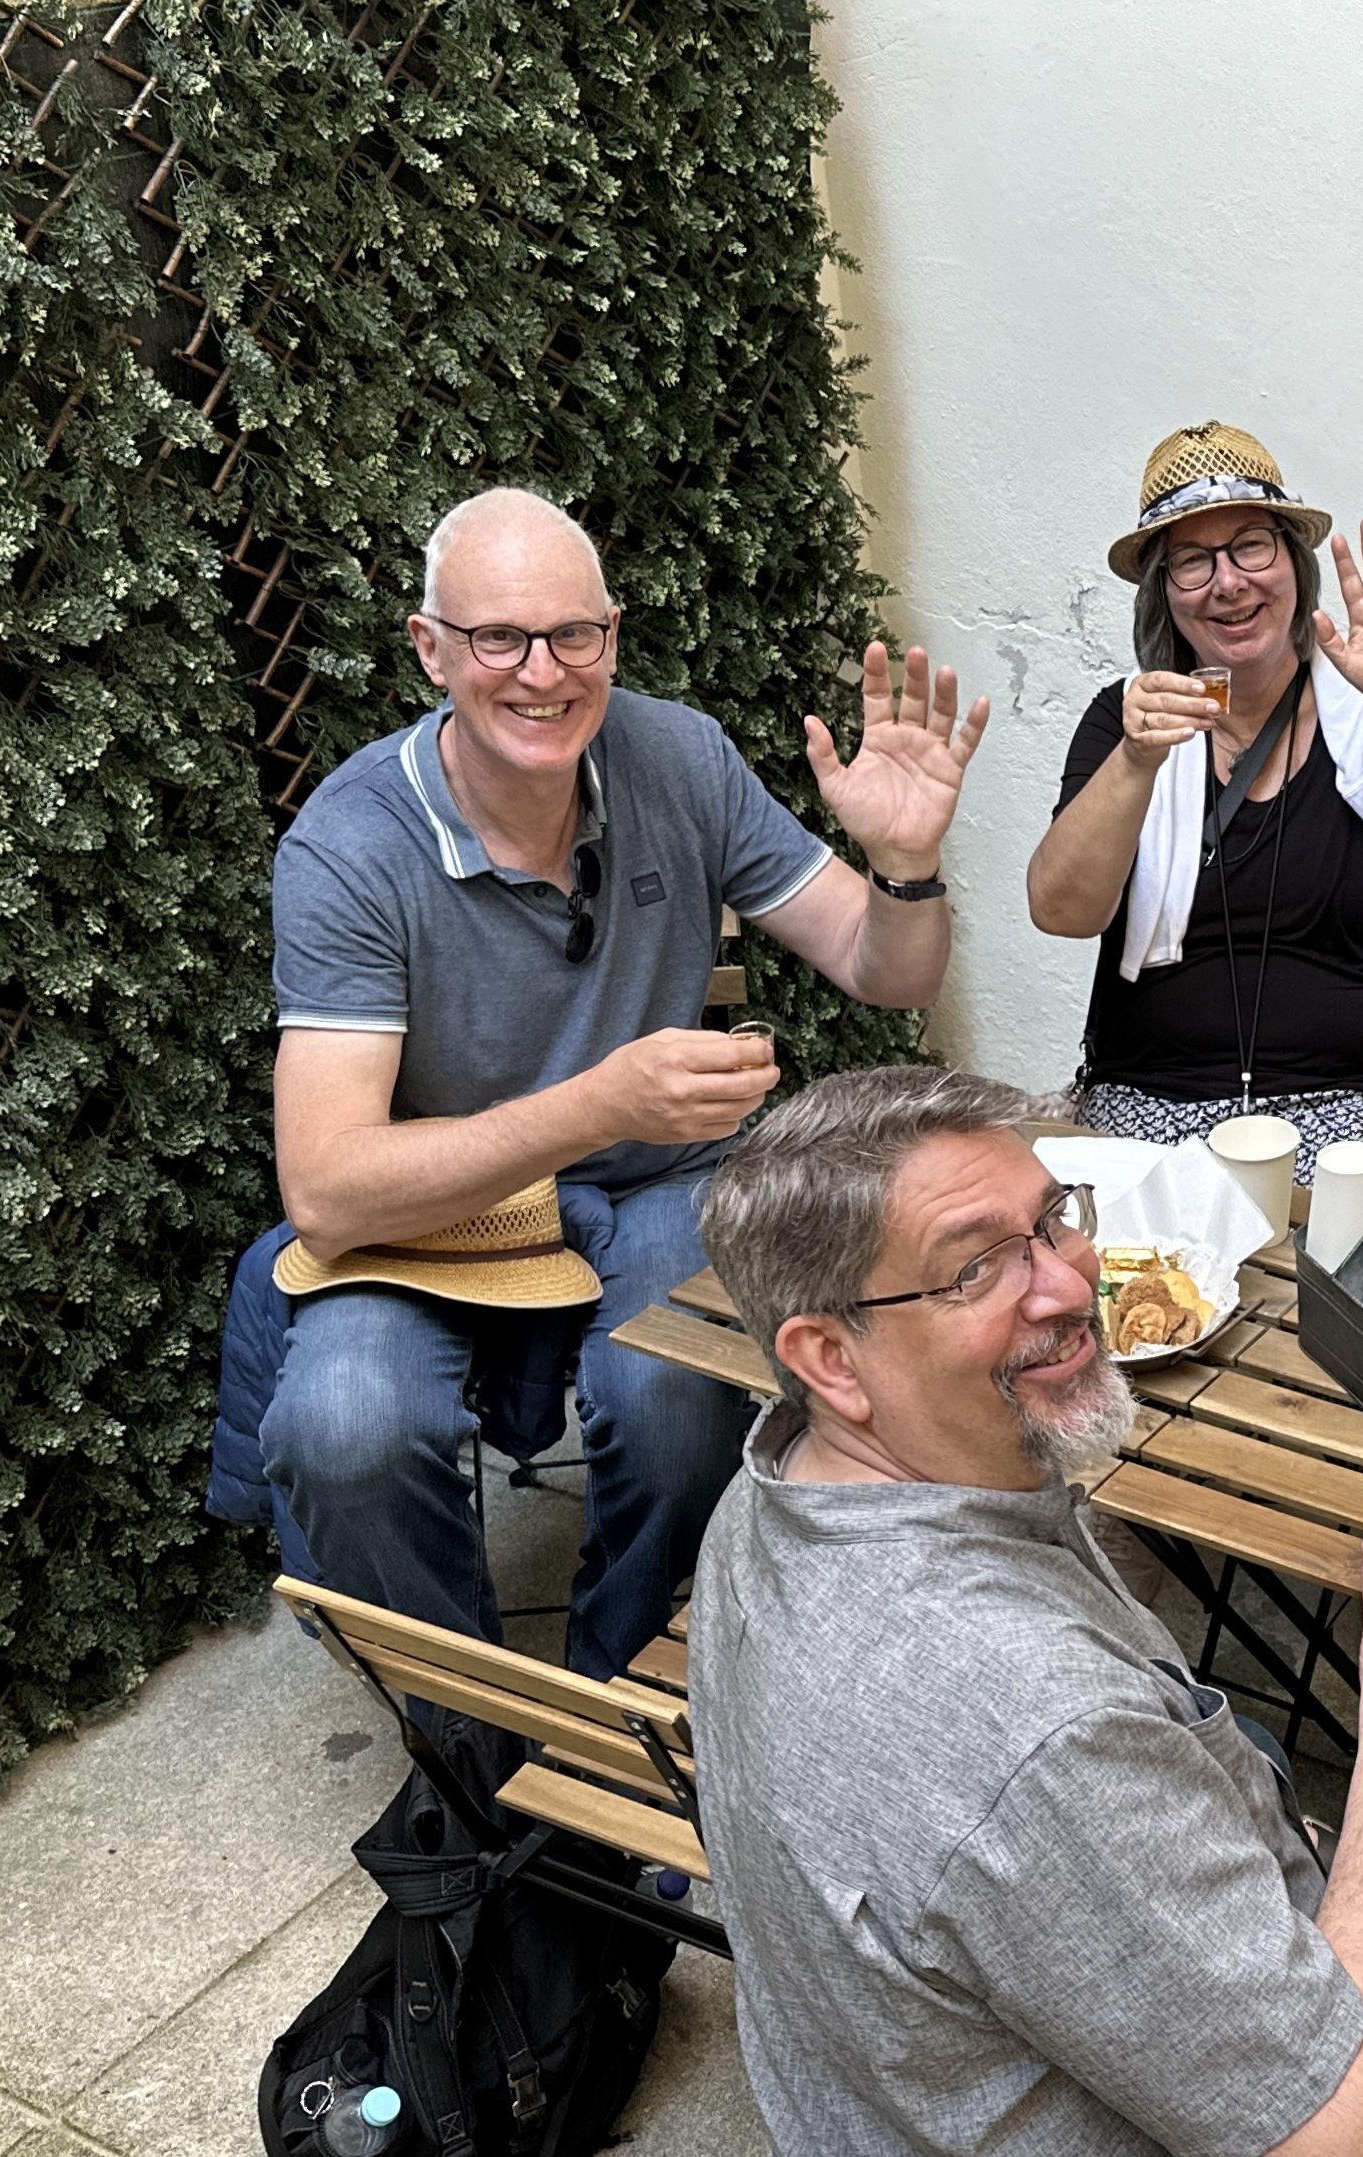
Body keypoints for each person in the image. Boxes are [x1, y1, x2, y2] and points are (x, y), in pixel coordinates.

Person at [689, 1063, 1363, 2157]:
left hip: (887, 2100)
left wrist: (1350, 1876)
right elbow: (1353, 2141)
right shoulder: (1038, 1727)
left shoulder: (771, 1493)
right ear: (828, 1356)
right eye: (973, 1271)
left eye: (1052, 1220)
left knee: (1242, 1744)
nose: (1065, 1286)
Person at [218, 485, 987, 1680]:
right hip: (441, 1213)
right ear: (431, 649)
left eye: (574, 634)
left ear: (612, 636)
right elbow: (326, 1189)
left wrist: (906, 863)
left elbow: (884, 971)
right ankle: (476, 1754)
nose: (542, 672)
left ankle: (630, 1696)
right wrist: (600, 1102)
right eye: (497, 638)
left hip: (659, 1183)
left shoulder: (675, 753)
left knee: (677, 1399)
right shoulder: (349, 845)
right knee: (343, 1432)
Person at [1027, 422, 1363, 1171]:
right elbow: (1062, 912)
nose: (1228, 582)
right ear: (1164, 594)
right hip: (1150, 1102)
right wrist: (1136, 762)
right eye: (1192, 561)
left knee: (1319, 1261)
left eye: (1252, 545)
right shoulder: (1126, 717)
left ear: (1293, 564)